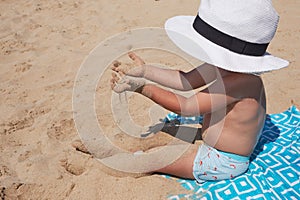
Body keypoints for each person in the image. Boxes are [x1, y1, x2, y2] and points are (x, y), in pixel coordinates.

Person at [110, 0, 289, 182]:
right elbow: (185, 81)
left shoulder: (242, 82)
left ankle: (122, 161)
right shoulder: (224, 66)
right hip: (213, 149)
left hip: (224, 161)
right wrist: (145, 71)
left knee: (153, 160)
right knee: (162, 149)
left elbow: (187, 107)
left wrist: (142, 88)